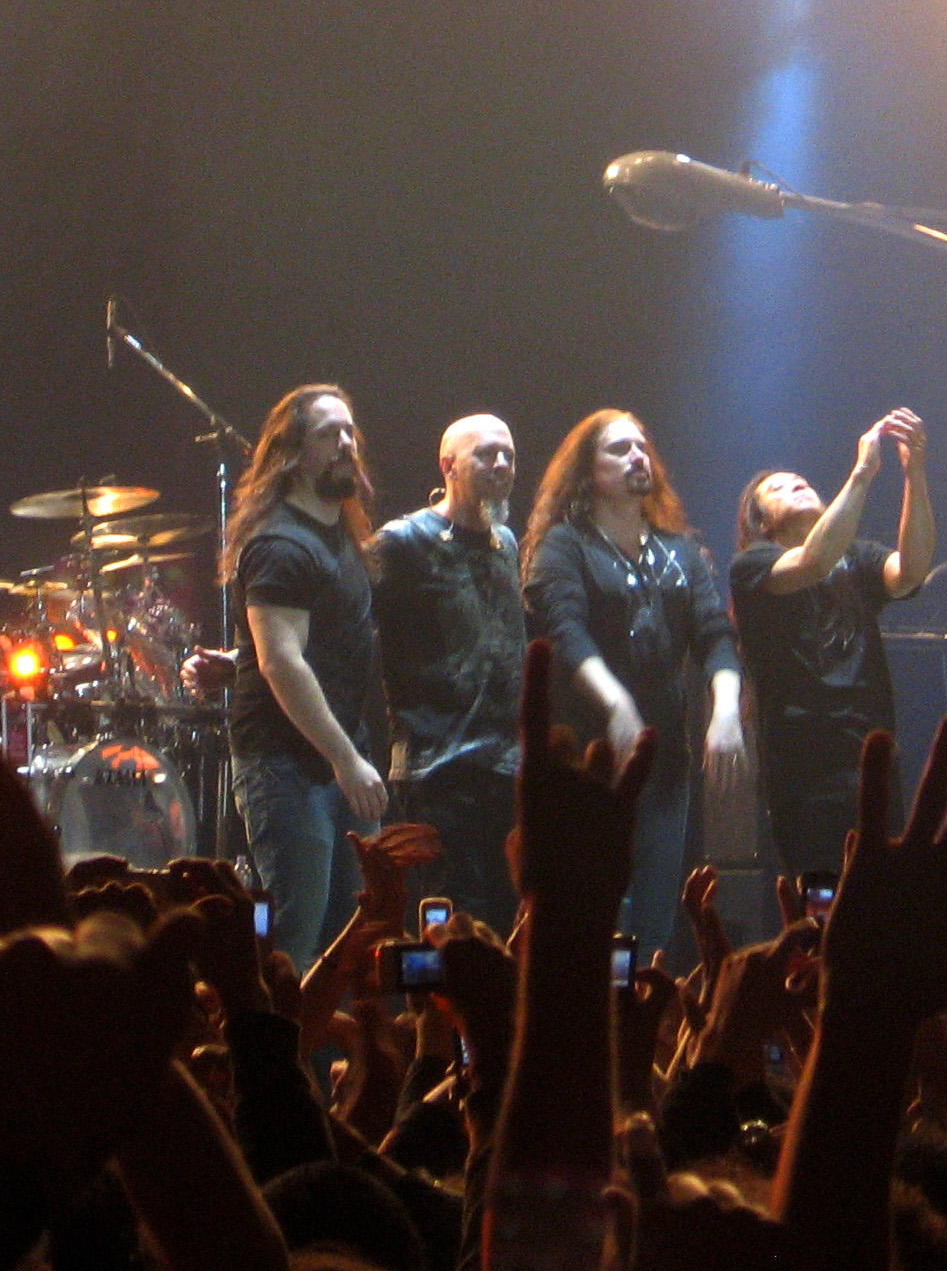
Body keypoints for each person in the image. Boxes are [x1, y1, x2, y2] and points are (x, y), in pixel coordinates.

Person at [521, 409, 744, 958]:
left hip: (662, 760)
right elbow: (564, 630)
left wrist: (726, 710)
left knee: (653, 922)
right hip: (587, 758)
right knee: (589, 917)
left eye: (641, 446)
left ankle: (646, 1008)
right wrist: (616, 701)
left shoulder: (680, 550)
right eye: (619, 449)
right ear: (586, 471)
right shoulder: (564, 545)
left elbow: (714, 635)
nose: (637, 456)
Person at [729, 408, 937, 875]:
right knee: (821, 896)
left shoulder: (857, 556)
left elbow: (911, 571)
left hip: (873, 756)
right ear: (763, 522)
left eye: (801, 480)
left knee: (882, 893)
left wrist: (914, 473)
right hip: (807, 770)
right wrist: (862, 473)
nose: (797, 484)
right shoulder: (752, 565)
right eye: (779, 488)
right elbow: (813, 562)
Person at [224, 384, 388, 972]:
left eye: (349, 431)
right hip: (286, 764)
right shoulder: (279, 542)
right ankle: (274, 1032)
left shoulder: (340, 532)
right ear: (291, 453)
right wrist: (347, 760)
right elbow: (282, 661)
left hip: (335, 758)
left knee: (356, 936)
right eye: (327, 433)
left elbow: (314, 643)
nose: (346, 443)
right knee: (296, 933)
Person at [370, 413, 528, 928]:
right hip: (437, 771)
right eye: (486, 454)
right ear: (448, 465)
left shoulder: (506, 544)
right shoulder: (403, 542)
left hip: (504, 771)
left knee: (505, 918)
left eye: (508, 455)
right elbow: (341, 620)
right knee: (453, 919)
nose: (501, 464)